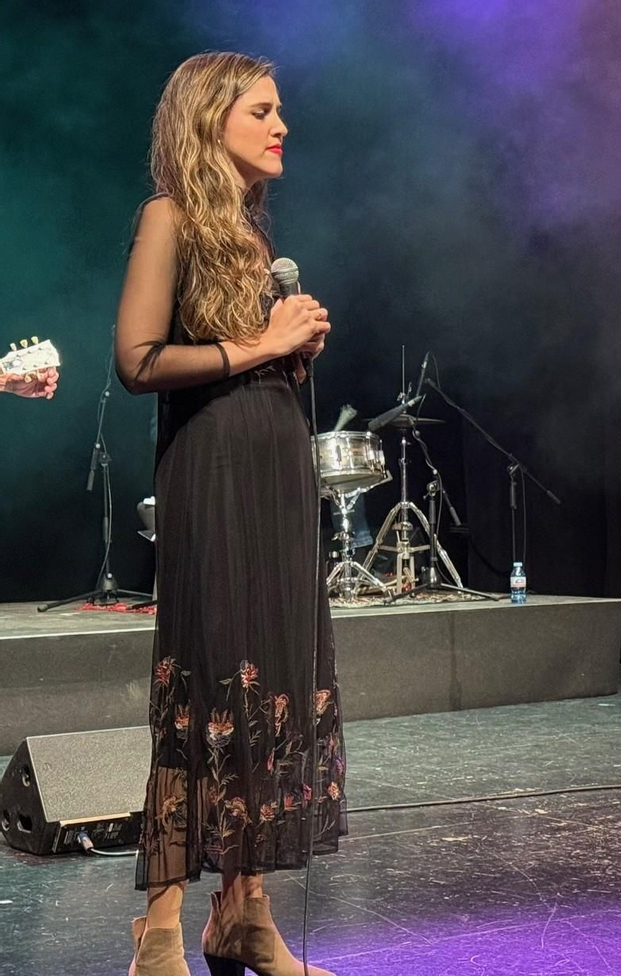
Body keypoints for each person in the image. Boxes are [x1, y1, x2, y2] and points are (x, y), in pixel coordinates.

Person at [114, 52, 342, 975]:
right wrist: (262, 342)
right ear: (211, 122)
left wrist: (295, 347)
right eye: (262, 110)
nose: (281, 125)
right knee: (209, 684)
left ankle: (246, 916)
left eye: (280, 109)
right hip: (211, 474)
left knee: (273, 685)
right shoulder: (166, 219)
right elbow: (136, 360)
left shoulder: (251, 235)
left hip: (278, 469)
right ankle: (159, 925)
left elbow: (247, 357)